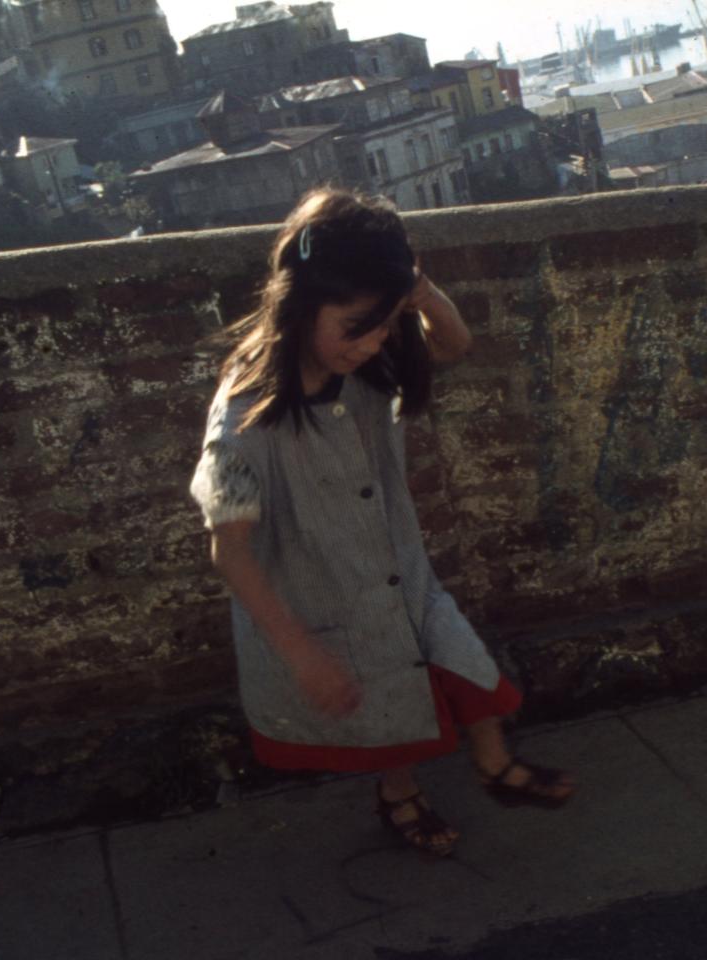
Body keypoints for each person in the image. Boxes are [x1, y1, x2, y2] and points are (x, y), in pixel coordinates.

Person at [189, 188, 575, 856]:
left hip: (400, 568)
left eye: (383, 324)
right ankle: (402, 795)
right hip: (327, 594)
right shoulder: (243, 419)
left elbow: (454, 343)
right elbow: (231, 552)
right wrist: (303, 655)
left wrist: (418, 293)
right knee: (389, 711)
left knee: (464, 665)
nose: (371, 342)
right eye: (356, 326)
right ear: (300, 305)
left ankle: (493, 765)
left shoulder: (367, 354)